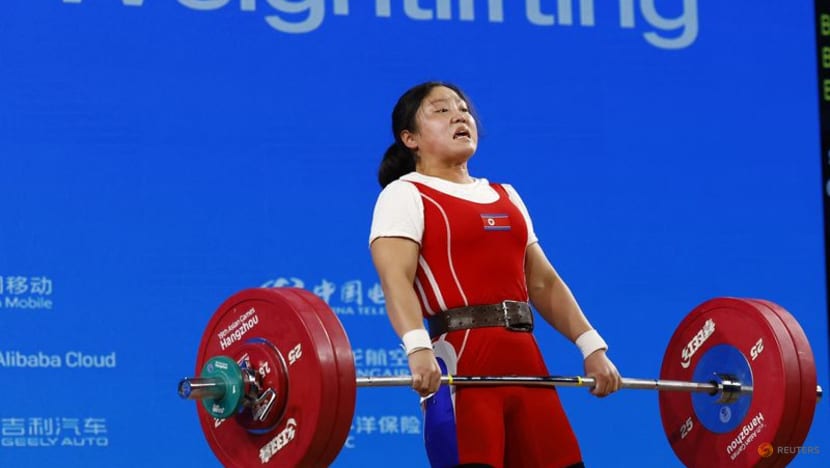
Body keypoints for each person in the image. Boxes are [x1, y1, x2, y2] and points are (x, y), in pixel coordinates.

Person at [368, 81, 622, 468]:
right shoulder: (405, 195)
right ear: (410, 138)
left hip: (527, 364)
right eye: (440, 110)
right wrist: (418, 349)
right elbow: (396, 281)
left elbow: (543, 282)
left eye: (463, 109)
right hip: (461, 365)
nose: (459, 115)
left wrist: (592, 347)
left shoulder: (507, 195)